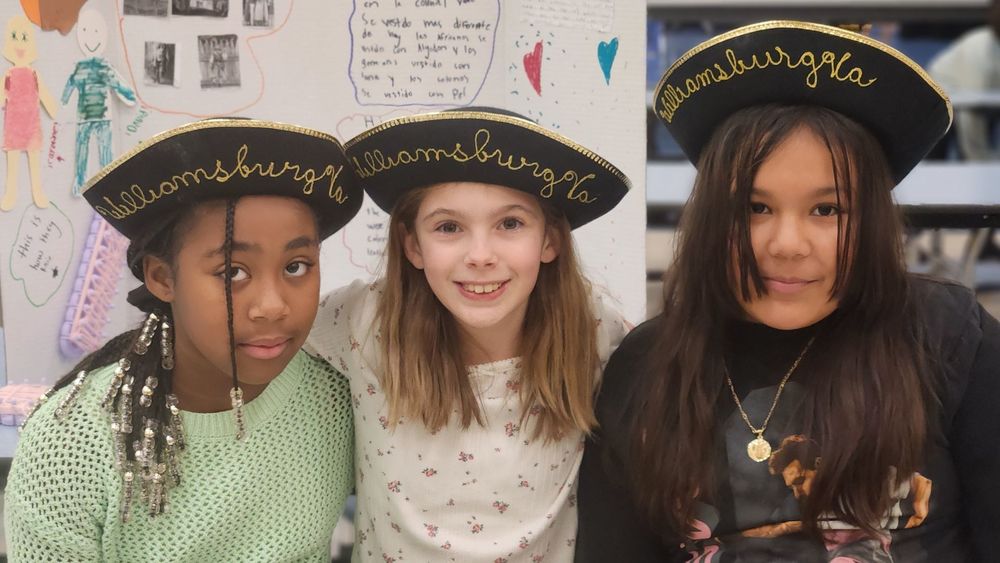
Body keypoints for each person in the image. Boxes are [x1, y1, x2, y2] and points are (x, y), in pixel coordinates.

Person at [576, 20, 1000, 563]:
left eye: (827, 210)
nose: (787, 245)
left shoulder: (948, 335)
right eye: (755, 208)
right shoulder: (646, 367)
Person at [5, 118, 364, 562]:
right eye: (232, 272)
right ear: (162, 277)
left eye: (296, 266)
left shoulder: (339, 398)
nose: (272, 306)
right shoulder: (71, 442)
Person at [307, 107, 632, 562]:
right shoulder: (367, 321)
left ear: (550, 241)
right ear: (413, 245)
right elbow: (266, 331)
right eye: (449, 227)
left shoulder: (591, 332)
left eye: (510, 224)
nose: (480, 255)